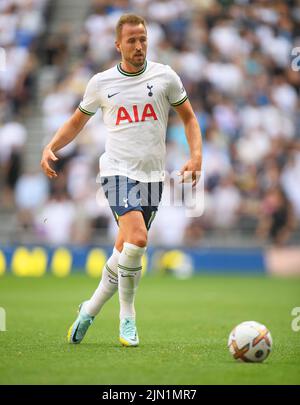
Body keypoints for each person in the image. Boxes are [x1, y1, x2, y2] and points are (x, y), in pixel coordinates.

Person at [40, 14, 202, 347]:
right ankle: (127, 318)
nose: (139, 45)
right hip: (115, 172)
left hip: (153, 177)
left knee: (125, 250)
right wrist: (51, 146)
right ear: (118, 45)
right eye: (132, 40)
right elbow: (76, 122)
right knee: (138, 240)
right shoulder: (101, 83)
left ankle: (89, 309)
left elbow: (189, 118)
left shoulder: (165, 77)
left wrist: (196, 155)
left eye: (143, 39)